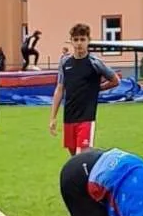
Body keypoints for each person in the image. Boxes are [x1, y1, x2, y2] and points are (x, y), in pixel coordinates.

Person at [49, 24, 120, 153]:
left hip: (86, 117)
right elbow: (60, 89)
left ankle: (96, 164)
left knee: (83, 156)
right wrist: (53, 117)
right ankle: (96, 164)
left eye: (82, 39)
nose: (79, 43)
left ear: (88, 41)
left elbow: (115, 80)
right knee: (74, 159)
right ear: (71, 41)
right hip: (69, 117)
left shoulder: (95, 62)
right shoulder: (65, 63)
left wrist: (98, 88)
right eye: (76, 40)